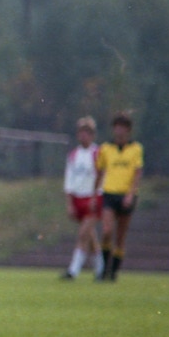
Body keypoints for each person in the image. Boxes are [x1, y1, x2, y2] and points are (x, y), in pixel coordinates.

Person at [95, 111, 144, 281]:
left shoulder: (135, 149)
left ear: (128, 130)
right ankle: (104, 268)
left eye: (123, 127)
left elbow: (137, 173)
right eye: (117, 127)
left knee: (120, 236)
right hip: (109, 193)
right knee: (107, 231)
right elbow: (100, 172)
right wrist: (95, 193)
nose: (119, 131)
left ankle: (113, 271)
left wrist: (130, 194)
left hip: (126, 195)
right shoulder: (106, 148)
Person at [60, 116, 103, 280]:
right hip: (78, 198)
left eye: (87, 132)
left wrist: (95, 196)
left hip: (92, 198)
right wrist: (69, 203)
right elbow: (69, 180)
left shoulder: (98, 153)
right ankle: (101, 267)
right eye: (81, 132)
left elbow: (102, 177)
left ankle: (73, 270)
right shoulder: (73, 155)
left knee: (83, 234)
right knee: (90, 235)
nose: (83, 136)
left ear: (92, 135)